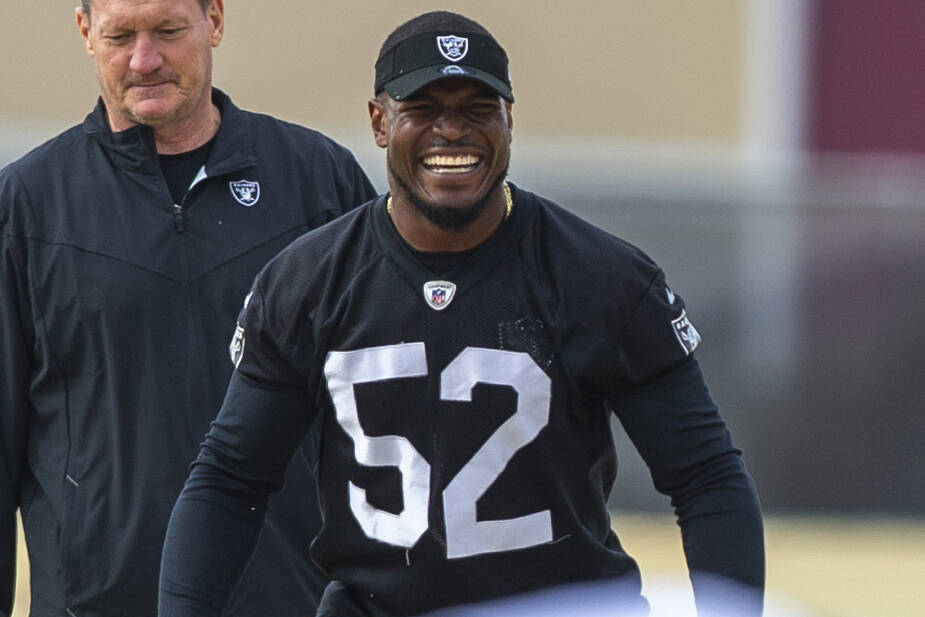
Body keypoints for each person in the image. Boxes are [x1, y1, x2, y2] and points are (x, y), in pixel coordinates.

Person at [158, 10, 764, 617]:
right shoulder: (309, 283)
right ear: (379, 121)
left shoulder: (600, 278)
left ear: (509, 120)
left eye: (477, 107)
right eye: (423, 107)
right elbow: (230, 482)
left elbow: (705, 476)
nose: (452, 130)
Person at [0, 0, 376, 615]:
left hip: (291, 600)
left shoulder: (318, 183)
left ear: (216, 21)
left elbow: (385, 409)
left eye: (169, 31)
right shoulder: (28, 208)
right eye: (120, 35)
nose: (144, 60)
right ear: (85, 33)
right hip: (97, 604)